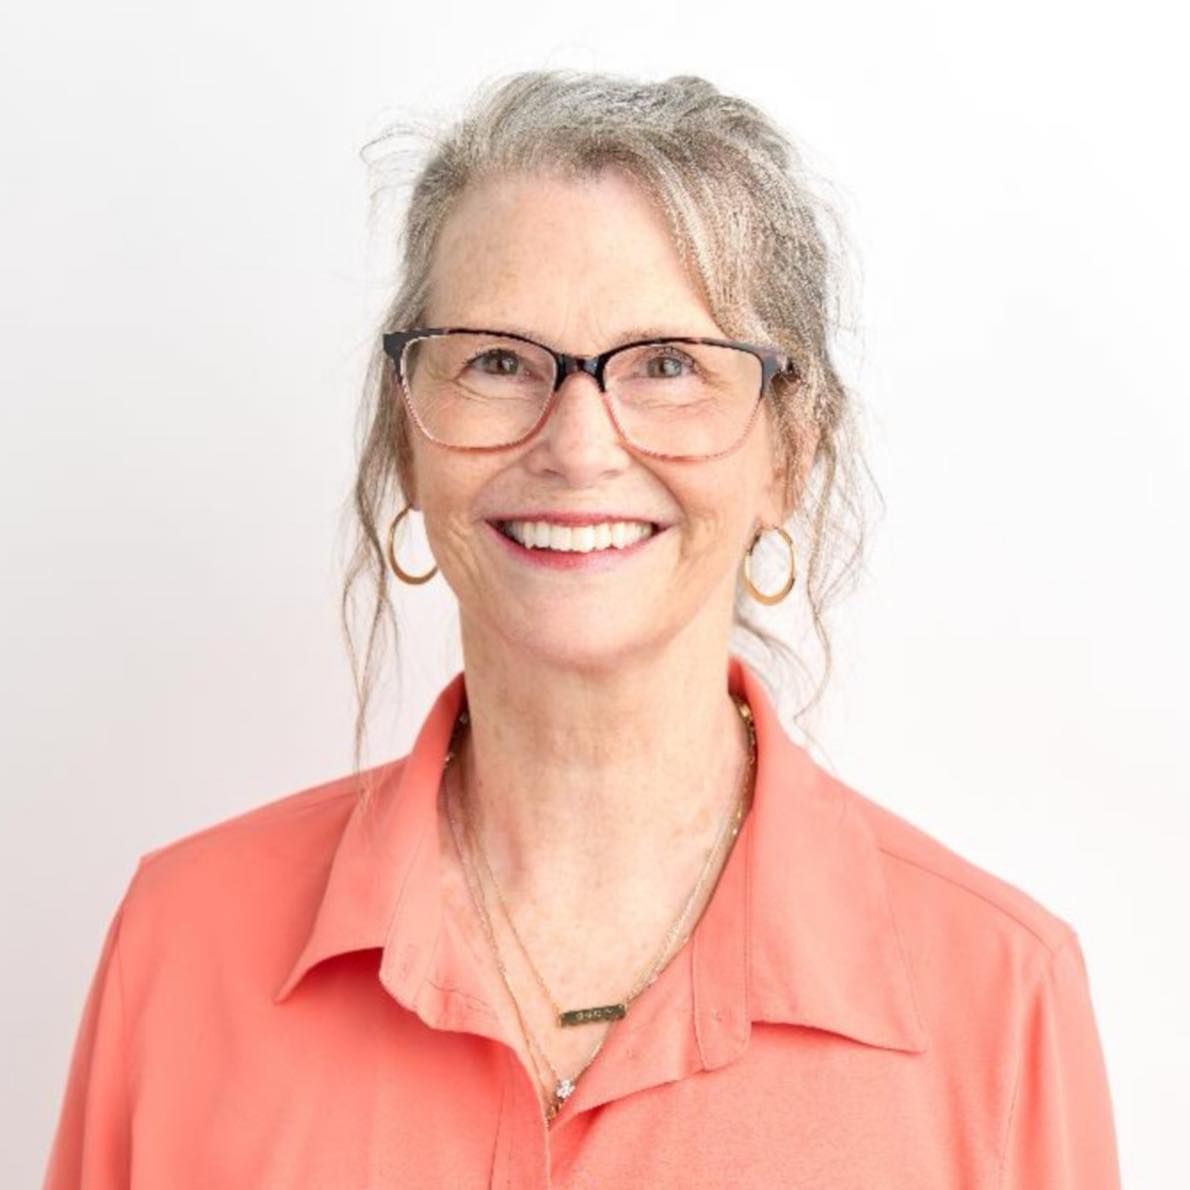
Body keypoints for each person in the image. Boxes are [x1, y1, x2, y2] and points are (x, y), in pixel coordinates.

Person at [44, 70, 1121, 1188]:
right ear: (403, 438)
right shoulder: (183, 943)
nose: (577, 443)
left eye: (665, 364)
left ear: (787, 453)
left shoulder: (999, 997)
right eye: (498, 360)